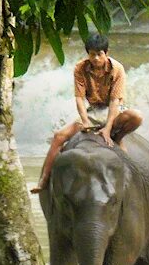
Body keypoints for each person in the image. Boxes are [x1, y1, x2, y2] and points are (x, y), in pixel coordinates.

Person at [31, 33, 142, 193]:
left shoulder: (117, 69)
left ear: (106, 53)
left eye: (99, 54)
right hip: (93, 112)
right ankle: (43, 180)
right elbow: (79, 98)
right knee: (58, 137)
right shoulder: (80, 68)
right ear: (87, 54)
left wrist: (108, 128)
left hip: (114, 110)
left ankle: (118, 138)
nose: (96, 58)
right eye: (92, 54)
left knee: (136, 116)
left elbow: (114, 101)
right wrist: (85, 121)